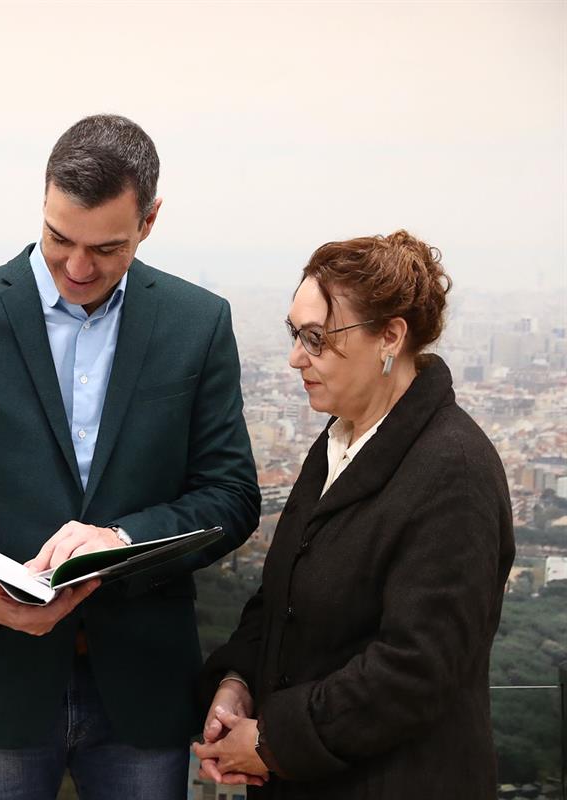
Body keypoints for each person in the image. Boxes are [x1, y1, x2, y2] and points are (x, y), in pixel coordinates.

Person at [0, 114, 261, 799]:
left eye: (107, 247)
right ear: (42, 199)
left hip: (143, 684)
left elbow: (232, 494)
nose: (78, 267)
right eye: (60, 238)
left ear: (150, 221)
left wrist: (120, 539)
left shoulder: (197, 323)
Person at [193, 231, 515, 799]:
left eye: (317, 339)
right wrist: (237, 681)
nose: (296, 358)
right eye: (295, 334)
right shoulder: (343, 438)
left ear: (390, 336)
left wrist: (271, 742)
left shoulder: (453, 469)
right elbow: (282, 598)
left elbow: (414, 670)